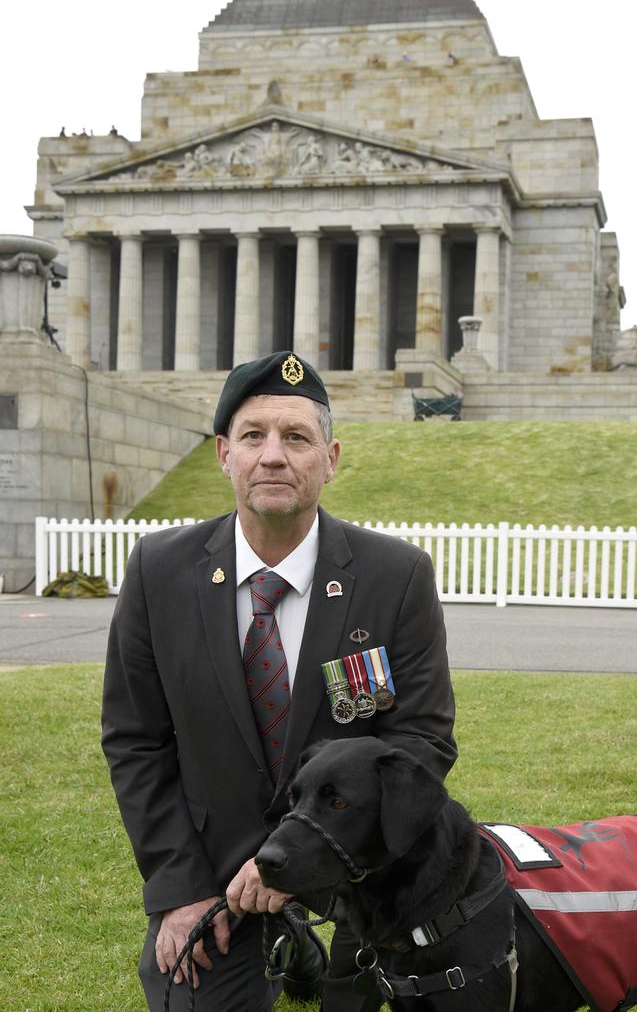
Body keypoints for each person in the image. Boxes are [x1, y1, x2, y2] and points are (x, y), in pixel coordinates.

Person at [101, 350, 457, 1012]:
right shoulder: (159, 572)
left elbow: (421, 741)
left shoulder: (395, 577)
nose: (273, 455)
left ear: (331, 458)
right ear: (223, 455)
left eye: (297, 437)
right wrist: (180, 891)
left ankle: (310, 941)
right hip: (215, 884)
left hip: (359, 882)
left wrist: (311, 863)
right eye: (253, 435)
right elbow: (134, 741)